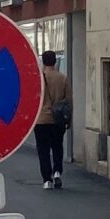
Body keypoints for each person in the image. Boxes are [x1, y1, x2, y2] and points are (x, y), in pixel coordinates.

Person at [34, 48, 71, 191]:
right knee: (57, 147)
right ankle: (57, 172)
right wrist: (69, 120)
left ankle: (46, 180)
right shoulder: (62, 78)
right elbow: (69, 101)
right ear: (55, 61)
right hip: (58, 120)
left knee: (43, 151)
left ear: (43, 61)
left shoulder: (38, 78)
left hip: (41, 120)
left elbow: (33, 100)